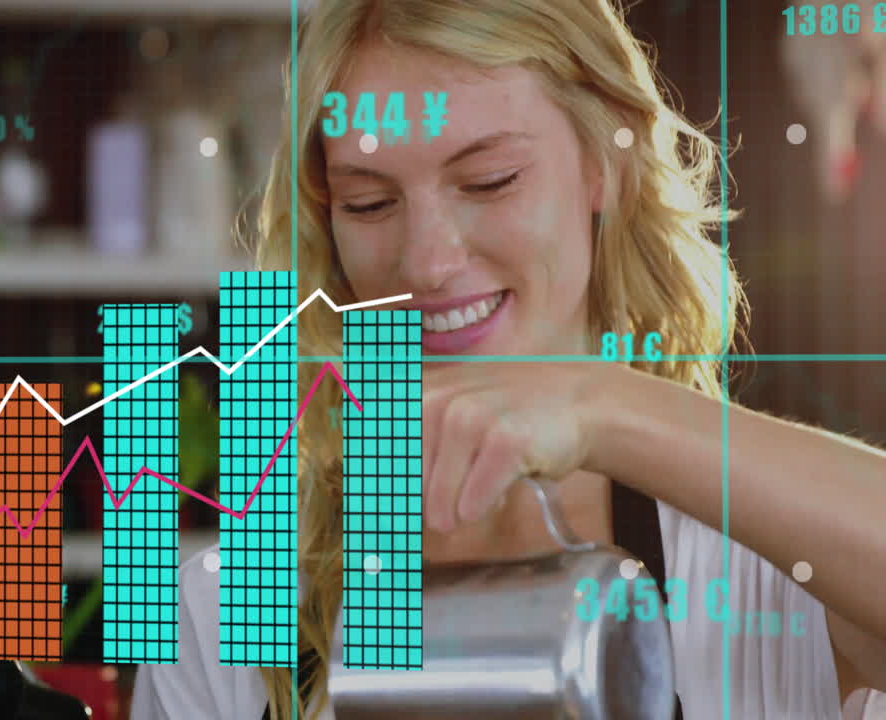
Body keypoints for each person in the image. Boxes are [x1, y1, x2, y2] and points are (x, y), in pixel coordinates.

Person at [129, 0, 886, 718]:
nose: (426, 264)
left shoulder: (765, 577)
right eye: (369, 203)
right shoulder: (228, 610)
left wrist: (600, 404)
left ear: (606, 162)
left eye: (490, 181)